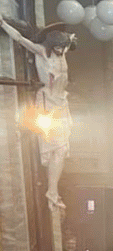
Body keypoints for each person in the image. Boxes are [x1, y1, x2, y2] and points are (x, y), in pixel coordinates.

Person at [0, 17, 76, 209]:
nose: (60, 50)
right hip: (48, 101)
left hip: (61, 102)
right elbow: (19, 38)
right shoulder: (42, 52)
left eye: (63, 47)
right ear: (51, 45)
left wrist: (70, 39)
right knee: (54, 148)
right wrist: (3, 24)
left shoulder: (63, 52)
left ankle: (53, 190)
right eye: (58, 47)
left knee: (63, 149)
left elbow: (70, 42)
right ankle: (52, 191)